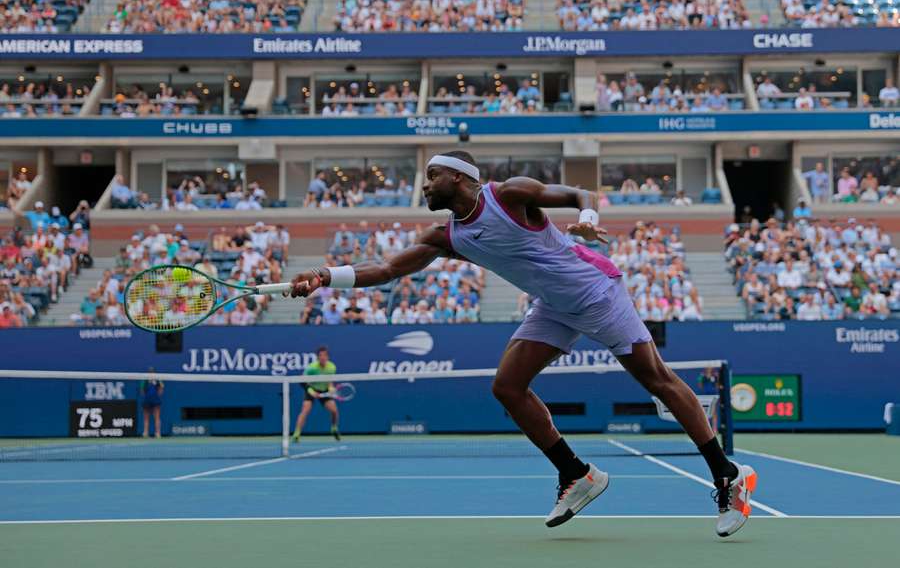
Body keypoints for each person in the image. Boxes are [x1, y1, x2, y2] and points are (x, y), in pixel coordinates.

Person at [288, 150, 755, 536]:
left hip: (595, 291)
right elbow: (388, 270)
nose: (425, 186)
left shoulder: (509, 195)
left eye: (431, 176)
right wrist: (323, 276)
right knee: (507, 387)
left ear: (458, 176)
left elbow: (579, 193)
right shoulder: (445, 235)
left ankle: (727, 476)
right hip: (552, 305)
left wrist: (588, 219)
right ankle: (576, 473)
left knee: (658, 380)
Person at [292, 346, 341, 442]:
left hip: (324, 391)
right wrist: (311, 391)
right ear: (317, 357)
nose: (323, 357)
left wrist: (331, 388)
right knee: (305, 411)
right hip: (311, 389)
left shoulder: (332, 367)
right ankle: (296, 434)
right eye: (320, 355)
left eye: (325, 355)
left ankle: (334, 428)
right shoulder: (311, 368)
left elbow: (330, 381)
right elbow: (302, 380)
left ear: (328, 357)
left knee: (334, 411)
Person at [140, 368, 164, 438]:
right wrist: (146, 396)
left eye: (152, 372)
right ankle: (145, 433)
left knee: (157, 417)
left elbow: (161, 388)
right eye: (150, 372)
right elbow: (141, 390)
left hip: (155, 400)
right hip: (147, 400)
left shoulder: (158, 380)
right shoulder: (145, 380)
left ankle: (157, 433)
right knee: (146, 417)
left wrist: (157, 395)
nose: (151, 373)